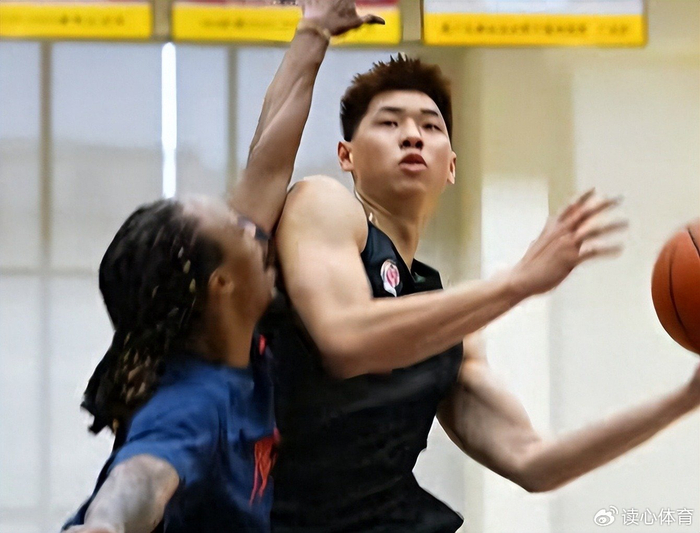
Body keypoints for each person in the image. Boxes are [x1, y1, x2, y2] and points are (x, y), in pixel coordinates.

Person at [266, 56, 700, 532]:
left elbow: (534, 462)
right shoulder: (322, 203)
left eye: (430, 126)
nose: (412, 135)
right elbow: (346, 340)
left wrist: (684, 399)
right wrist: (515, 283)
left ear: (451, 167)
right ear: (346, 156)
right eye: (389, 123)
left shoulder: (449, 327)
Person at [61, 3, 384, 532]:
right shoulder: (193, 402)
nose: (255, 229)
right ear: (222, 283)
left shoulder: (237, 342)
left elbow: (268, 162)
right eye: (236, 231)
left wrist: (314, 31)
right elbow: (140, 478)